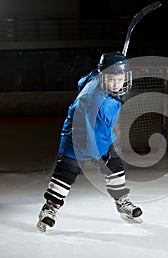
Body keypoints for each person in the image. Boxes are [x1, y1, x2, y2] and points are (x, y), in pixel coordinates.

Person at [36, 51, 143, 232]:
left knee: (115, 168)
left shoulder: (95, 78)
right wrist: (95, 155)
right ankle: (50, 208)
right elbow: (91, 129)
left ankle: (121, 201)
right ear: (103, 78)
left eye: (120, 79)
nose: (117, 84)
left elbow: (83, 80)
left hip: (100, 134)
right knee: (66, 174)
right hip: (77, 138)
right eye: (112, 79)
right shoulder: (97, 102)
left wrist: (111, 66)